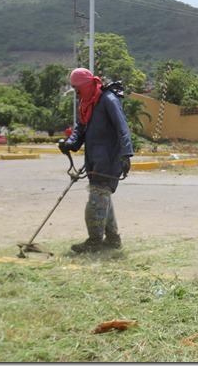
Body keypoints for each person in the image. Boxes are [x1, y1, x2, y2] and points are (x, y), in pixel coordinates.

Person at [59, 68, 133, 254]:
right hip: (94, 159)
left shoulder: (108, 100)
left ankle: (94, 243)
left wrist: (126, 154)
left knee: (97, 198)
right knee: (102, 196)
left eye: (77, 88)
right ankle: (113, 239)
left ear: (85, 85)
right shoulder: (87, 103)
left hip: (109, 159)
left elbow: (122, 127)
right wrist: (69, 143)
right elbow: (81, 128)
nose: (76, 92)